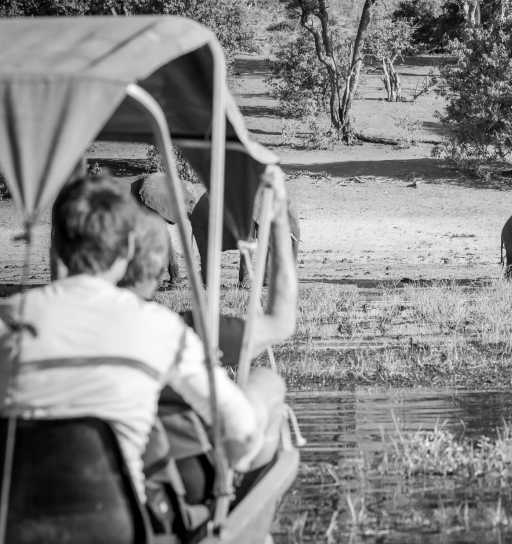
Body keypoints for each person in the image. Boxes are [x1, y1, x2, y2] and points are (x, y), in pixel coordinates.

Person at [0, 174, 294, 509]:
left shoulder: (7, 320)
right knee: (263, 385)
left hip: (13, 521)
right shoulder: (160, 328)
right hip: (122, 524)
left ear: (56, 246)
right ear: (128, 247)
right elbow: (241, 432)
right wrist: (279, 219)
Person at [120, 183, 298, 505]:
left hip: (50, 493)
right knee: (266, 382)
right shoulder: (174, 332)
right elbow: (281, 324)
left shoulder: (17, 325)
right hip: (157, 497)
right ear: (155, 268)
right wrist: (280, 223)